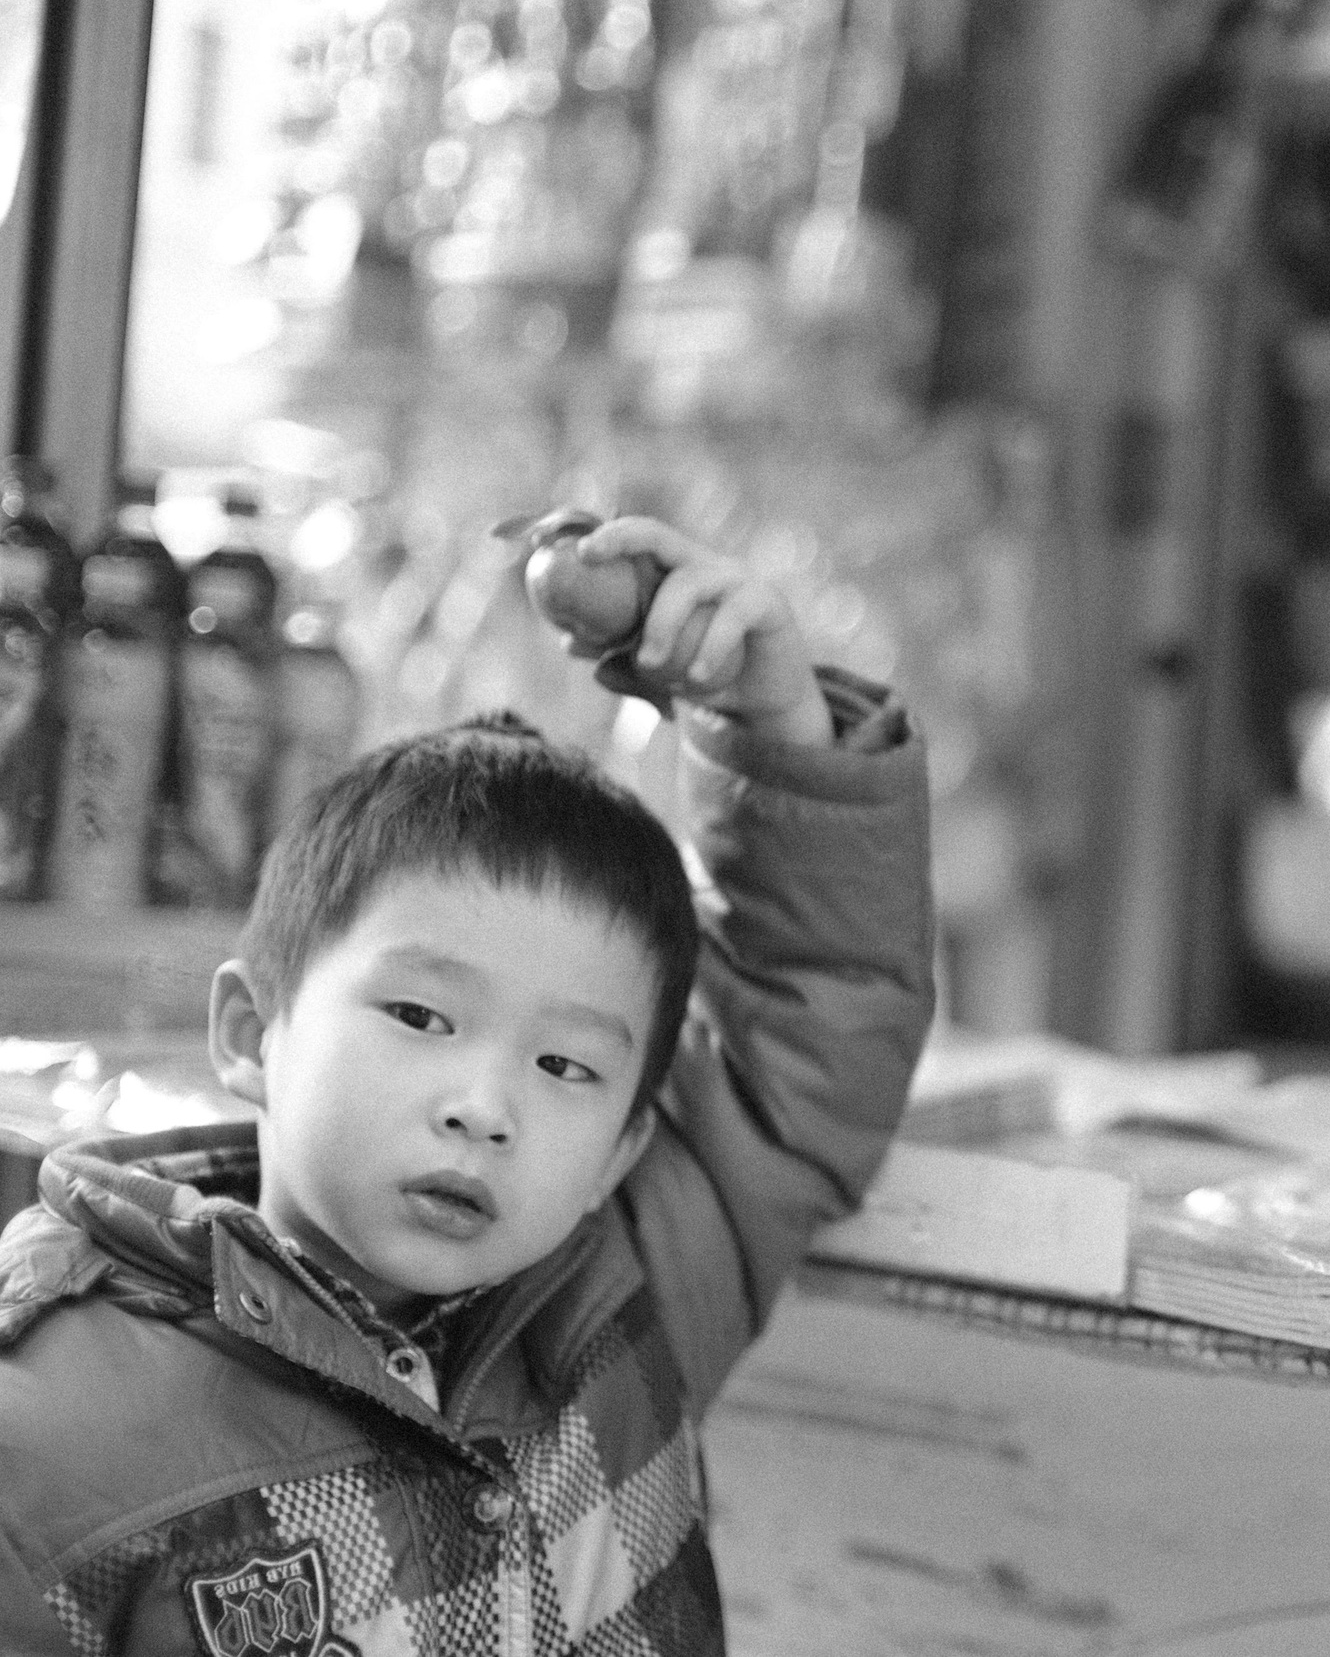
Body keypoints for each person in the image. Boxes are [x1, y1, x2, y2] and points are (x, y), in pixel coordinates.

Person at [0, 519, 935, 1655]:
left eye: (565, 1067)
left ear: (624, 1151)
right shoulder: (51, 1426)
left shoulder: (628, 1295)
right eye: (419, 1017)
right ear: (253, 1033)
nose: (484, 1108)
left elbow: (810, 1019)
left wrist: (775, 730)